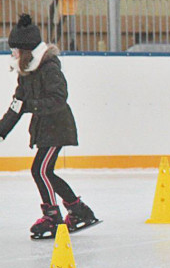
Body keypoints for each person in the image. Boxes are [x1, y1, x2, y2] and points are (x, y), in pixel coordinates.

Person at [0, 14, 99, 239]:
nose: (12, 53)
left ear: (25, 51)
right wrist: (2, 131)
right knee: (46, 172)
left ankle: (52, 216)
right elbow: (17, 106)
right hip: (44, 127)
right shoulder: (26, 74)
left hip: (58, 126)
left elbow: (59, 98)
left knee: (40, 170)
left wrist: (30, 105)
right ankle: (78, 210)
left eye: (14, 49)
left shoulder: (49, 68)